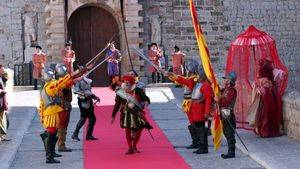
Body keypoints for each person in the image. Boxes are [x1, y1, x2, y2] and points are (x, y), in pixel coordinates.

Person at [39, 64, 91, 163]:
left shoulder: (50, 83)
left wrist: (78, 72)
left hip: (54, 111)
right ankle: (49, 157)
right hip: (50, 113)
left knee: (53, 134)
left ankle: (52, 152)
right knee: (51, 134)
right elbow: (61, 83)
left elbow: (64, 82)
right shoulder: (50, 86)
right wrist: (76, 73)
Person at [166, 65, 214, 154]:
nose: (197, 77)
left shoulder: (206, 85)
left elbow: (208, 99)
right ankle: (200, 145)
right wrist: (172, 75)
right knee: (197, 127)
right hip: (195, 108)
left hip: (200, 108)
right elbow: (185, 81)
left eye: (199, 75)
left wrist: (207, 112)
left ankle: (203, 147)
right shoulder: (198, 84)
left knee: (201, 128)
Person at [111, 75, 149, 154]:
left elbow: (145, 98)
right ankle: (130, 148)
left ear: (132, 83)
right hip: (126, 114)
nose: (127, 84)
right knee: (127, 130)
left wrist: (146, 102)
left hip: (137, 113)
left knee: (139, 129)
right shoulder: (120, 92)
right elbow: (117, 104)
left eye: (129, 83)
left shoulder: (137, 90)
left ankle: (134, 145)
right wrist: (113, 116)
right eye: (126, 82)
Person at [251, 59, 280, 137]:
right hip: (266, 101)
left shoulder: (260, 80)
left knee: (263, 116)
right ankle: (264, 131)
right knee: (265, 116)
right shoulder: (266, 80)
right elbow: (265, 91)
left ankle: (262, 130)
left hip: (263, 100)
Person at [215, 71, 237, 159]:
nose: (224, 80)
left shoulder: (231, 90)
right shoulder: (226, 89)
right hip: (224, 113)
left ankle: (231, 152)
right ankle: (230, 151)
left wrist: (218, 100)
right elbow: (219, 91)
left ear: (230, 80)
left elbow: (226, 102)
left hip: (228, 113)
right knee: (226, 132)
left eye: (226, 79)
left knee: (229, 133)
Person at [72, 76, 100, 141]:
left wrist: (95, 97)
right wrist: (84, 95)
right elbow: (75, 91)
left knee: (92, 118)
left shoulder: (87, 80)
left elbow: (89, 92)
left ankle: (89, 135)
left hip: (89, 101)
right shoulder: (79, 81)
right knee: (83, 118)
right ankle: (75, 134)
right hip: (82, 101)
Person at [55, 64, 73, 152]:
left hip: (63, 105)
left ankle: (60, 144)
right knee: (62, 126)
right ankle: (61, 145)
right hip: (64, 106)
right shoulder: (63, 83)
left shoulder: (60, 81)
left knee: (62, 126)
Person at [0, 65, 10, 142]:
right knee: (2, 119)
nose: (3, 71)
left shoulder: (2, 77)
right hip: (0, 101)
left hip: (2, 101)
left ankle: (2, 136)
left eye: (3, 69)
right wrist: (1, 91)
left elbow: (5, 80)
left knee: (4, 119)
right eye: (2, 69)